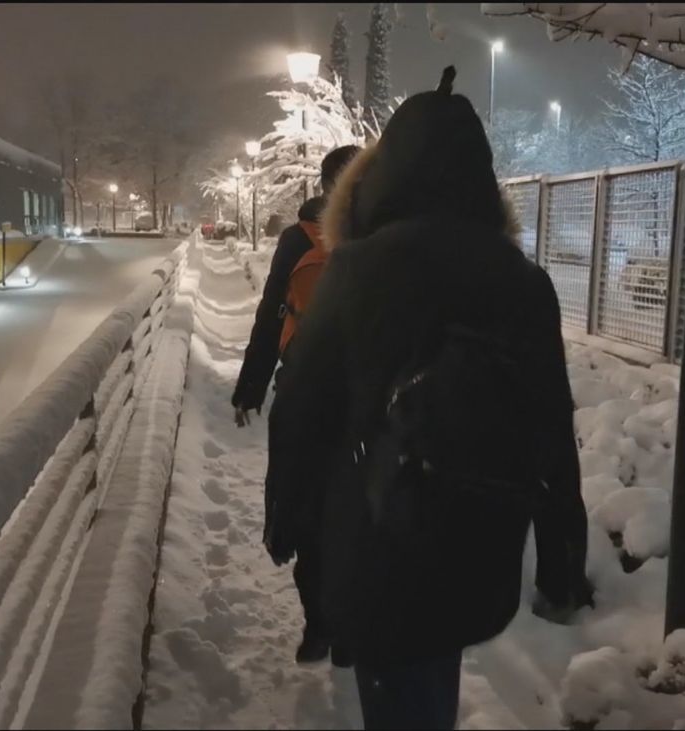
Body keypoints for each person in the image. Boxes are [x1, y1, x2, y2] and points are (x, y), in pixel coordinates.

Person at [265, 67, 591, 729]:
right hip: (481, 539)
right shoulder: (523, 283)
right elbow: (552, 429)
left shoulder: (355, 272)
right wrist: (562, 563)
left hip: (376, 537)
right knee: (430, 674)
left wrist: (287, 516)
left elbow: (301, 406)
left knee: (398, 687)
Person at [231, 144, 361, 664]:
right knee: (357, 512)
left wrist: (251, 386)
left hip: (305, 393)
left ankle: (320, 625)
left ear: (323, 186)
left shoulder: (298, 238)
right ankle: (347, 626)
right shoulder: (382, 238)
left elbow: (272, 314)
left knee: (307, 506)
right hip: (366, 401)